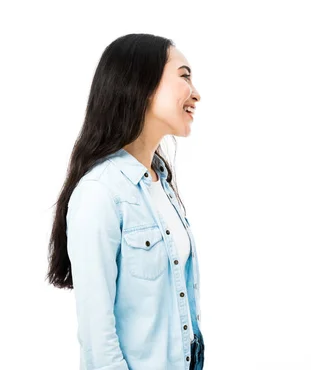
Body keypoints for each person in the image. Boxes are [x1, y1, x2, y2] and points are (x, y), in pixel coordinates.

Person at [47, 33, 205, 369]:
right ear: (143, 85)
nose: (196, 92)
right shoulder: (99, 193)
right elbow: (97, 343)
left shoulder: (160, 183)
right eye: (184, 75)